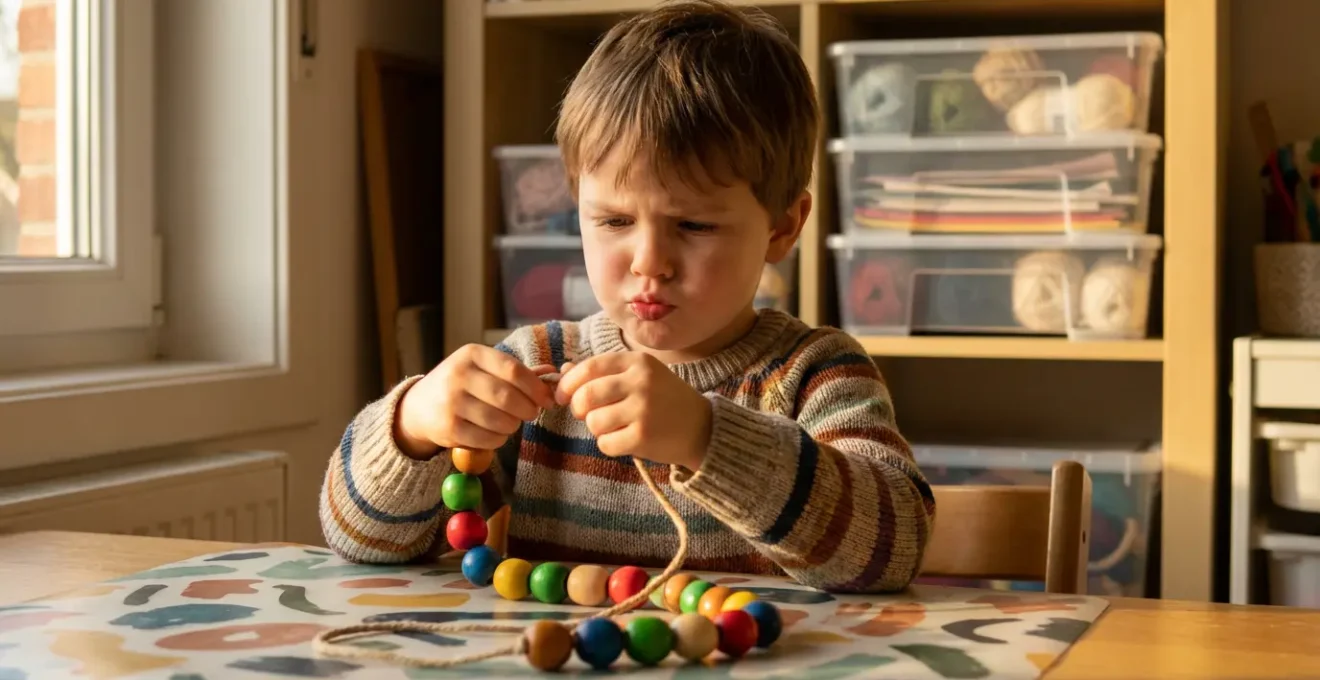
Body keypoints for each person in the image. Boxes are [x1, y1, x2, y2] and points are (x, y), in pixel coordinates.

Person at [320, 0, 934, 594]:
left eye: (694, 226)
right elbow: (358, 539)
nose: (648, 262)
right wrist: (414, 425)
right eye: (613, 221)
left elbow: (892, 549)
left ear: (782, 227)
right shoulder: (540, 363)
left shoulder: (816, 374)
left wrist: (706, 437)